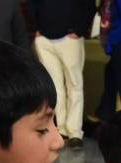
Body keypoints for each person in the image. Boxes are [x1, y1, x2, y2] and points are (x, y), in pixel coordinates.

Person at [29, 0, 96, 150]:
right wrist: (37, 28)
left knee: (74, 85)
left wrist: (79, 30)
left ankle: (74, 133)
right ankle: (61, 129)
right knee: (55, 86)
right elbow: (32, 4)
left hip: (69, 38)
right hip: (44, 39)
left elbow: (89, 6)